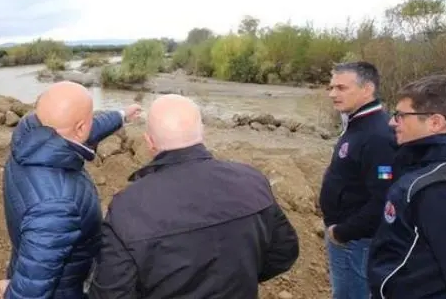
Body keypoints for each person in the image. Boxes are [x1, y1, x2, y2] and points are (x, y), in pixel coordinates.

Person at [86, 94, 299, 298]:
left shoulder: (128, 207)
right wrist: (241, 277)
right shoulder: (253, 181)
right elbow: (284, 252)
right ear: (202, 132)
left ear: (149, 142)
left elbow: (110, 291)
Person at [0, 81, 142, 299]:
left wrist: (121, 115)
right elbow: (32, 290)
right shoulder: (56, 207)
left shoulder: (31, 136)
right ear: (79, 128)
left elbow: (82, 129)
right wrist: (11, 293)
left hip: (30, 260)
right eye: (86, 122)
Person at [367, 74, 446, 299]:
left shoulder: (437, 187)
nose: (392, 122)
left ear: (435, 122)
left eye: (401, 116)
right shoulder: (422, 167)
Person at [319, 61, 397, 298]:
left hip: (355, 241)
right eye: (331, 87)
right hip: (349, 236)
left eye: (342, 88)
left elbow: (385, 196)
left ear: (367, 89)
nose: (332, 94)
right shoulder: (357, 124)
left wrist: (343, 232)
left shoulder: (377, 135)